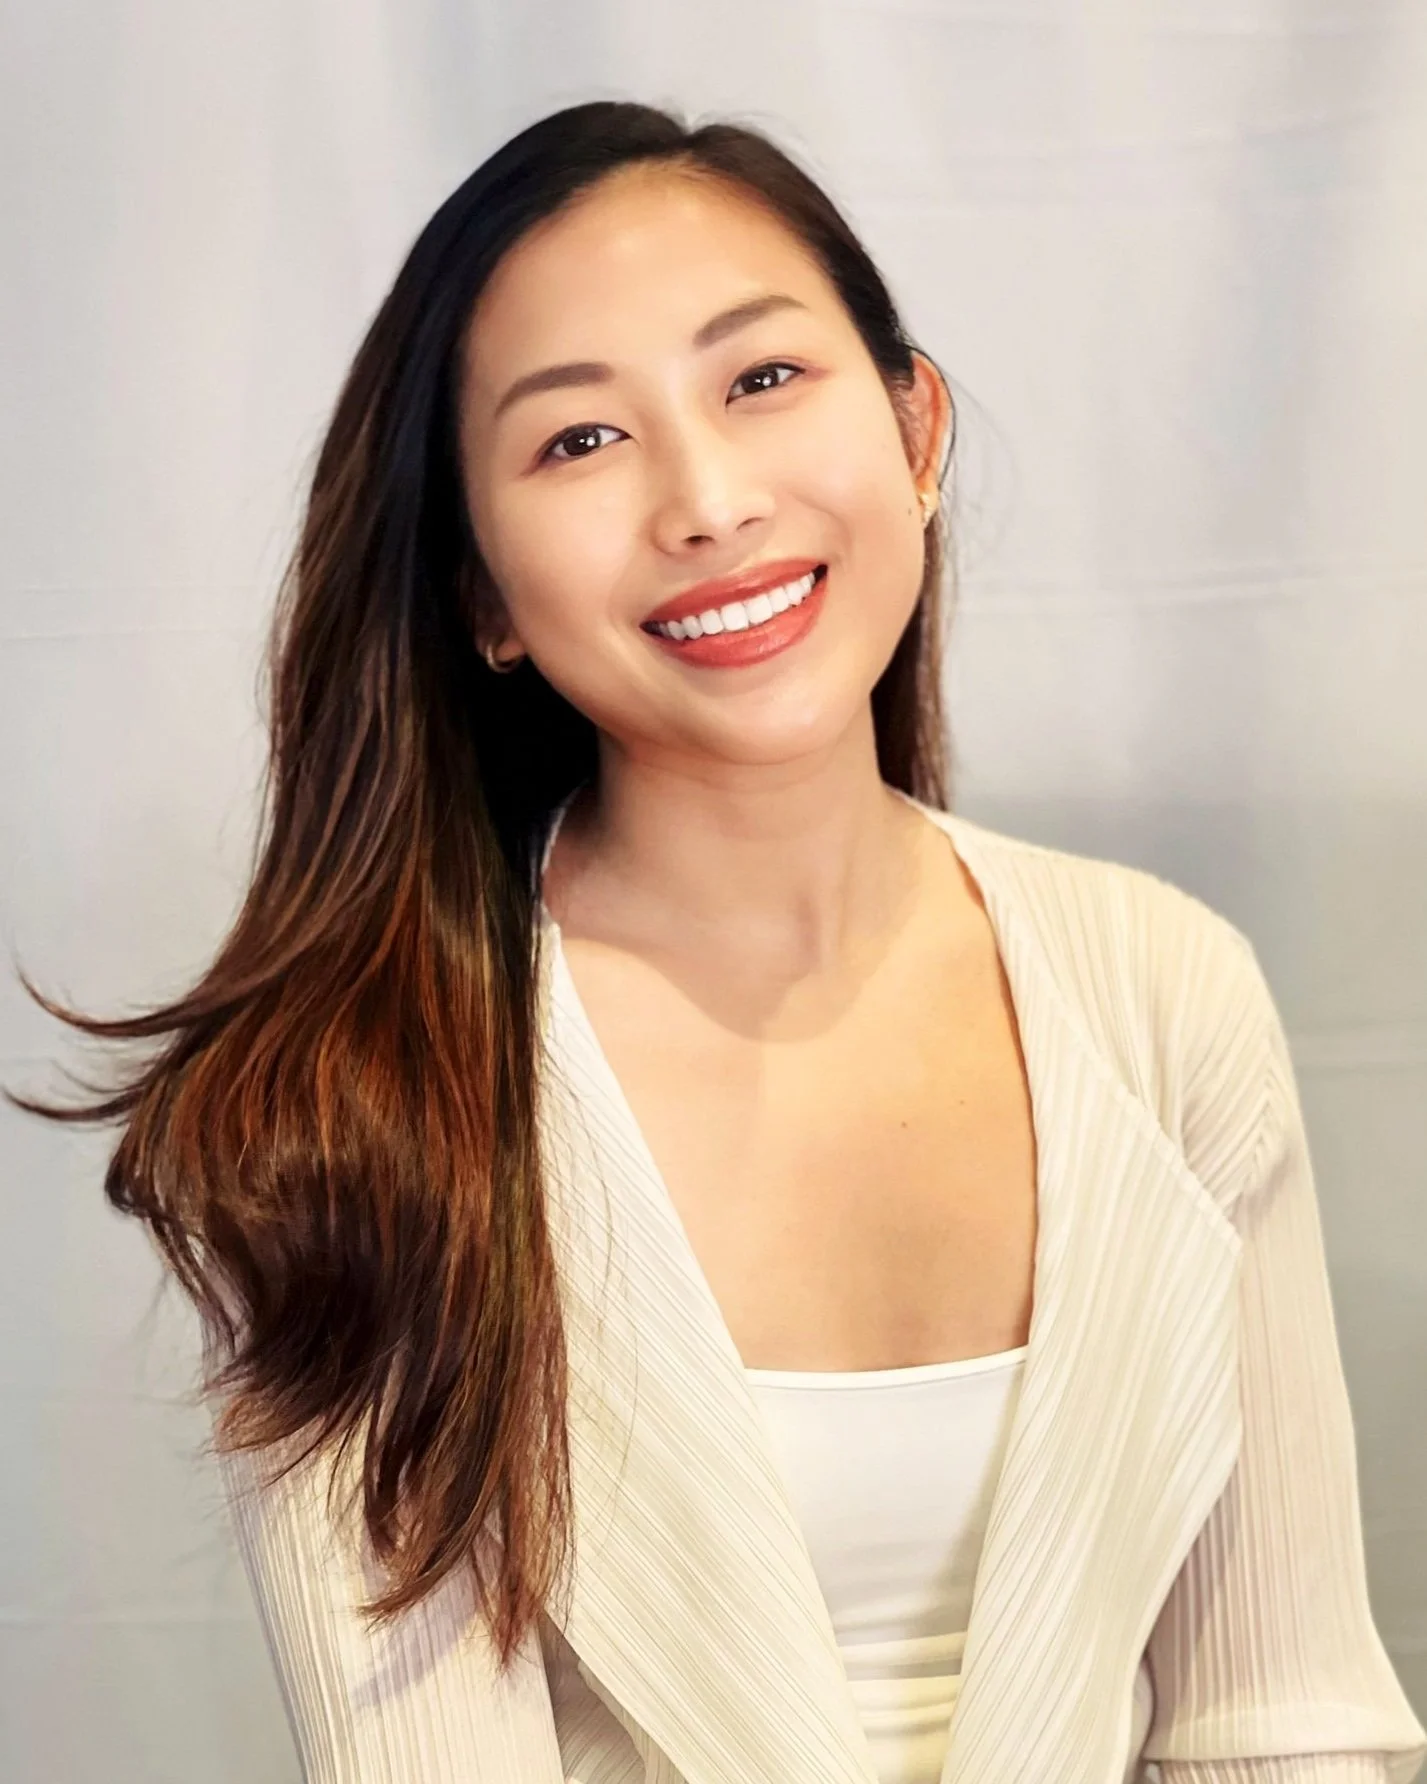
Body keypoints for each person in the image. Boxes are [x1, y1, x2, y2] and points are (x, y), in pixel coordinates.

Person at [18, 100, 1425, 1784]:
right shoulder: (348, 1114)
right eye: (576, 443)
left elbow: (1283, 1718)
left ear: (915, 424)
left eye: (761, 381)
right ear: (479, 597)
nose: (703, 501)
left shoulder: (1163, 993)